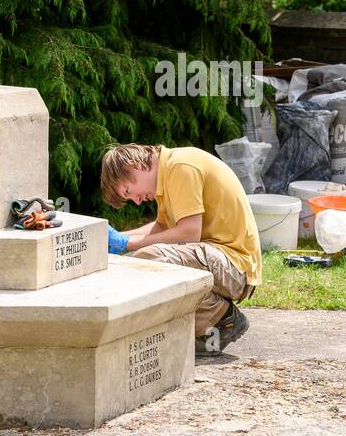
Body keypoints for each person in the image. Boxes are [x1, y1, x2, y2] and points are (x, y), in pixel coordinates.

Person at [99, 142, 262, 354]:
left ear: (133, 165)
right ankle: (212, 320)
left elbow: (188, 233)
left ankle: (222, 317)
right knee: (137, 261)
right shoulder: (168, 173)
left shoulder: (180, 167)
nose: (137, 201)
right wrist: (118, 238)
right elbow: (161, 229)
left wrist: (128, 244)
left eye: (129, 191)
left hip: (236, 267)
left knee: (150, 261)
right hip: (224, 262)